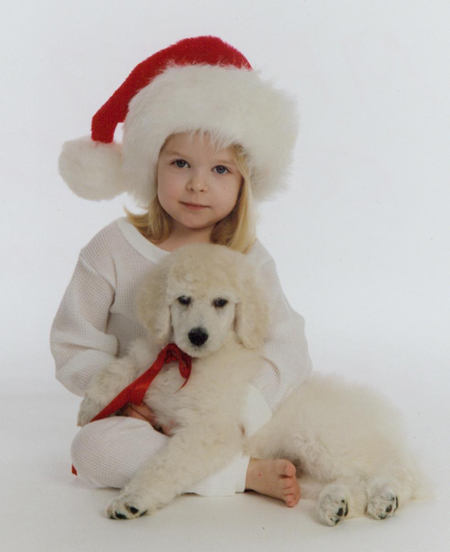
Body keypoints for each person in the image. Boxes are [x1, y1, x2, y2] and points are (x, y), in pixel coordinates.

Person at [51, 35, 313, 509]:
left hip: (222, 413)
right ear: (151, 166)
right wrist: (131, 399)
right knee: (92, 450)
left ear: (244, 182)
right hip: (141, 413)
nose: (197, 183)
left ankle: (224, 457)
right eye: (180, 163)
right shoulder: (112, 248)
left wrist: (244, 410)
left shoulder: (248, 259)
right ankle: (238, 474)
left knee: (292, 411)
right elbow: (75, 343)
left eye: (220, 170)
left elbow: (288, 345)